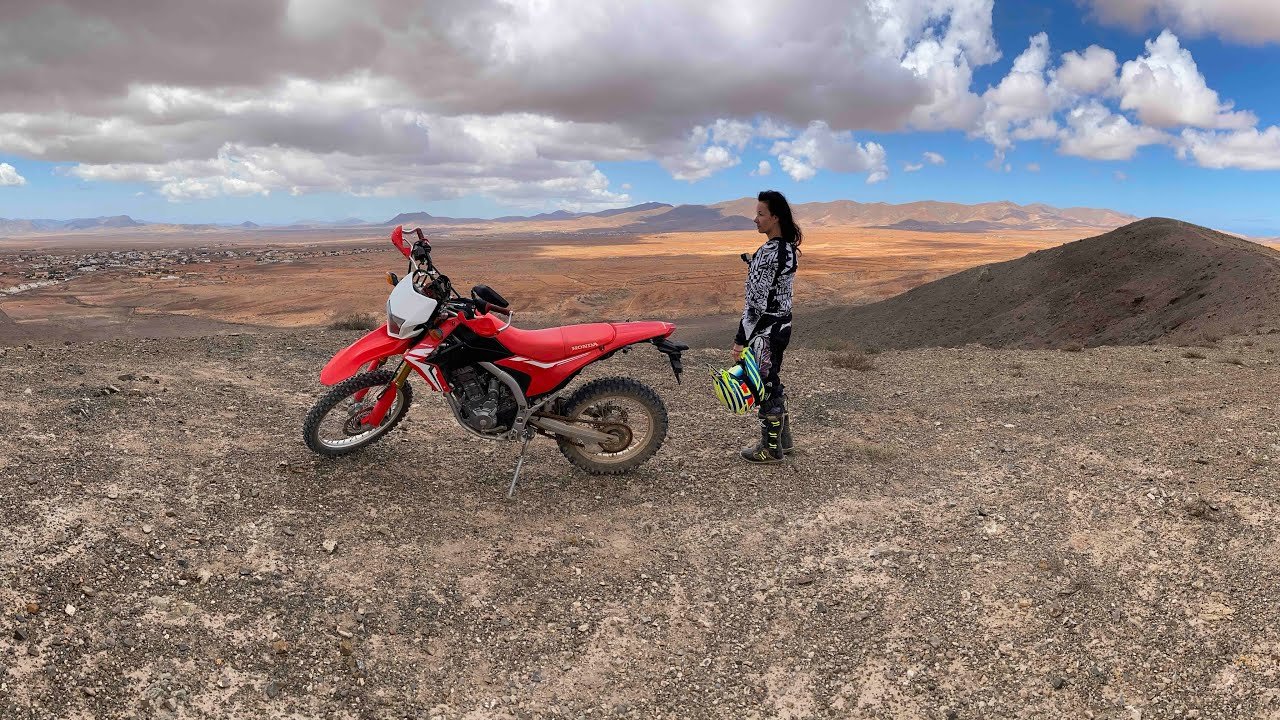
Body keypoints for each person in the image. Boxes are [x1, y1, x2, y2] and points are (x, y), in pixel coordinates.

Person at [733, 190, 799, 463]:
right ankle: (784, 441)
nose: (755, 219)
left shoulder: (769, 253)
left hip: (765, 331)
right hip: (783, 325)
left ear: (775, 217)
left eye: (760, 214)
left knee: (764, 385)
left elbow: (755, 304)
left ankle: (770, 449)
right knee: (772, 379)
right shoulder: (788, 249)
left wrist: (740, 340)